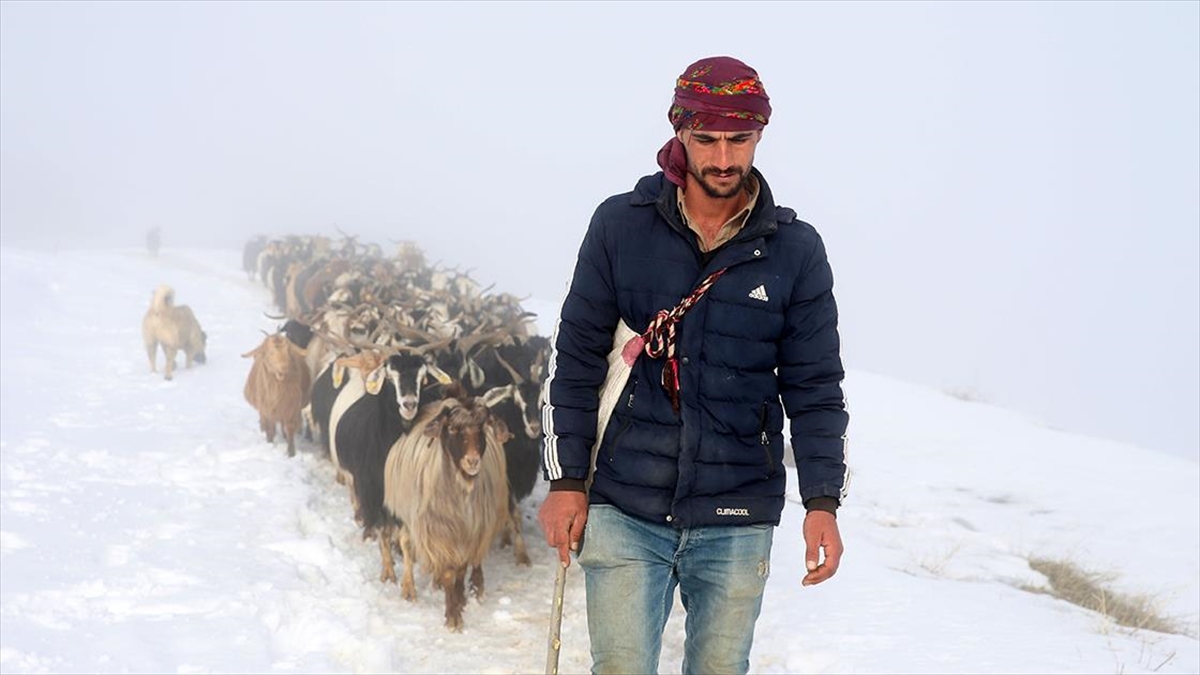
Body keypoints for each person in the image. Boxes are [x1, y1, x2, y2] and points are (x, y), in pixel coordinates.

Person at [538, 55, 850, 675]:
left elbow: (815, 388)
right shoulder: (620, 227)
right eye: (706, 138)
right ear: (679, 131)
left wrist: (822, 500)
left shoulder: (796, 250)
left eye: (740, 139)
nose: (724, 158)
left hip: (738, 513)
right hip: (624, 502)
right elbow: (574, 360)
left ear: (760, 135)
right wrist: (567, 481)